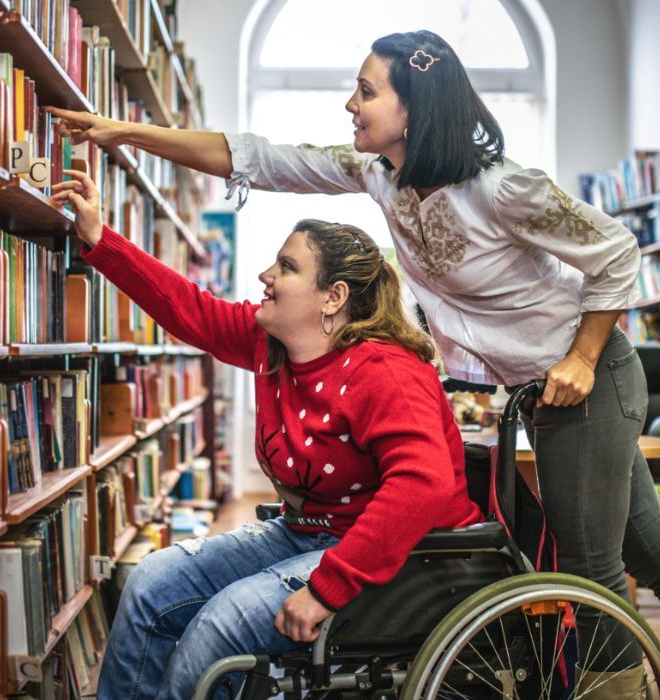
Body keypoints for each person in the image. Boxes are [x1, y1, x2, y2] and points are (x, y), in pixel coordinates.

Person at [46, 30, 660, 700]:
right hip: (529, 388)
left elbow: (618, 252)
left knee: (589, 571)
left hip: (584, 379)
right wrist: (127, 134)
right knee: (651, 546)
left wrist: (584, 358)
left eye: (367, 91)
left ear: (414, 107)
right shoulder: (379, 175)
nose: (351, 103)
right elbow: (258, 157)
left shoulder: (501, 187)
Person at [50, 169, 484, 700]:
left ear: (333, 297)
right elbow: (188, 309)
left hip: (404, 558)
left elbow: (423, 486)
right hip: (307, 533)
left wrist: (328, 589)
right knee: (149, 585)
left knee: (220, 625)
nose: (264, 275)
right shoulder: (271, 346)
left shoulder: (384, 371)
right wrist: (101, 239)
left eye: (286, 267)